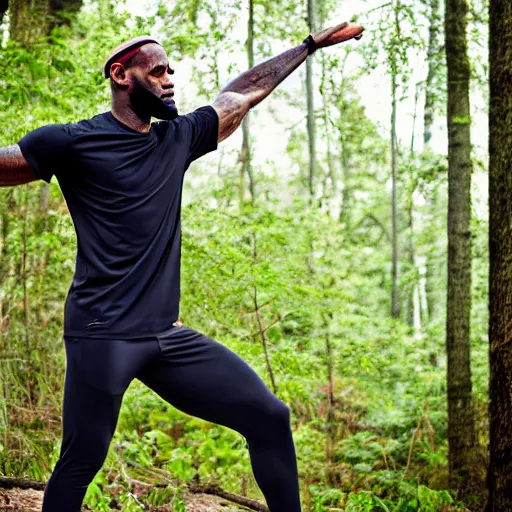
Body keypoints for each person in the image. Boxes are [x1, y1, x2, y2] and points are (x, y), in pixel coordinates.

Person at [0, 21, 363, 512]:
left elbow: (242, 93)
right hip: (101, 334)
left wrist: (308, 46)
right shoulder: (73, 142)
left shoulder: (178, 138)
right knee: (83, 457)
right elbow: (7, 164)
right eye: (157, 71)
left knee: (269, 416)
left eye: (171, 70)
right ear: (121, 75)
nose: (170, 79)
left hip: (165, 337)